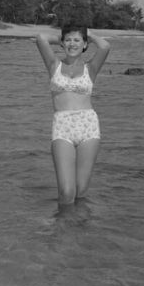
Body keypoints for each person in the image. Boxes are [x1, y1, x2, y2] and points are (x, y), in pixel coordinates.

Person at [36, 25, 110, 206]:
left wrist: (88, 34)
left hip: (88, 126)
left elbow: (105, 47)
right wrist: (63, 37)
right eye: (68, 40)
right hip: (62, 127)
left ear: (85, 44)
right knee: (66, 191)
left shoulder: (90, 68)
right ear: (62, 43)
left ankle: (78, 230)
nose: (72, 44)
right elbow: (41, 38)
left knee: (81, 190)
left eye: (77, 40)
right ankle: (60, 230)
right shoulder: (54, 65)